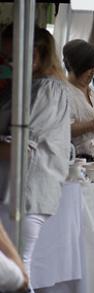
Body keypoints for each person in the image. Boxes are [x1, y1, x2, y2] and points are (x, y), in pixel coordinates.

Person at [0, 27, 71, 279]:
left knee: (16, 267)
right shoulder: (30, 85)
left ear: (37, 53)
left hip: (26, 191)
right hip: (17, 189)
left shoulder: (46, 90)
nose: (9, 63)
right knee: (14, 266)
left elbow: (20, 147)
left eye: (13, 56)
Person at [62, 39, 94, 159]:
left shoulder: (93, 91)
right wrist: (93, 124)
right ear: (76, 66)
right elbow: (63, 128)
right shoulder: (63, 93)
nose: (93, 71)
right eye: (88, 67)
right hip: (78, 159)